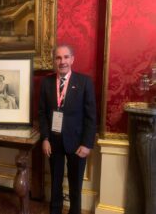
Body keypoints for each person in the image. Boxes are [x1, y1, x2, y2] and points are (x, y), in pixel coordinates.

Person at [38, 44, 96, 214]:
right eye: (58, 57)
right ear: (54, 61)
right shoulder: (46, 82)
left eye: (65, 57)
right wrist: (45, 138)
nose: (62, 61)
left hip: (77, 143)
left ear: (72, 59)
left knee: (75, 186)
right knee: (55, 184)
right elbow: (42, 113)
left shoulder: (84, 82)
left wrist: (87, 144)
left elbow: (91, 116)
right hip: (53, 142)